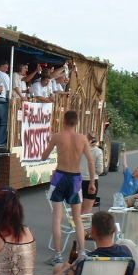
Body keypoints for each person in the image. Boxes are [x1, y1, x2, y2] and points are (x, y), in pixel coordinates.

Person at [41, 110, 97, 264]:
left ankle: (58, 255)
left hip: (60, 176)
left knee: (57, 218)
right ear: (77, 122)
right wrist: (92, 182)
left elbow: (43, 156)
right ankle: (82, 253)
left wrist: (49, 142)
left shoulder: (57, 137)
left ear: (64, 121)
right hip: (75, 179)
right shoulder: (83, 139)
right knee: (77, 218)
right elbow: (91, 161)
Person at [80, 132, 105, 215]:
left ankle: (75, 226)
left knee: (77, 209)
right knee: (87, 210)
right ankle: (82, 227)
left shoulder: (80, 149)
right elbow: (100, 170)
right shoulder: (98, 152)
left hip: (77, 180)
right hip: (91, 181)